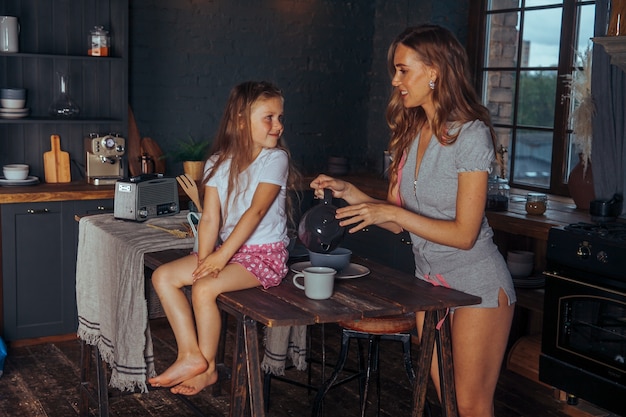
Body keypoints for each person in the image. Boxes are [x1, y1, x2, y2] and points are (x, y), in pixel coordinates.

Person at [310, 25, 516, 417]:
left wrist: (390, 211)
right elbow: (399, 221)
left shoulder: (471, 134)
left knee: (472, 407)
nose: (395, 79)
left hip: (477, 286)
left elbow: (464, 233)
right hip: (429, 286)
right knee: (449, 405)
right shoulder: (408, 132)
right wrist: (350, 192)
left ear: (434, 71)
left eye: (403, 70)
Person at [148, 81, 299, 396]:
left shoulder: (276, 160)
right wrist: (205, 259)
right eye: (268, 117)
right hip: (228, 253)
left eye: (280, 117)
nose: (278, 125)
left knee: (204, 287)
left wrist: (216, 261)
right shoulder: (218, 161)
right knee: (163, 277)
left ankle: (209, 368)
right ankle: (190, 354)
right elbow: (210, 218)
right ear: (242, 121)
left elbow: (255, 213)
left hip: (263, 256)